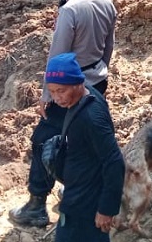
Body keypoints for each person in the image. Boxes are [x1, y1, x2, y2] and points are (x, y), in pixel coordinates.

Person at [9, 0, 118, 227]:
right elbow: (108, 47)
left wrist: (48, 94)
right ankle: (75, 186)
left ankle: (36, 204)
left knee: (44, 140)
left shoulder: (71, 8)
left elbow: (58, 56)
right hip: (96, 82)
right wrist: (97, 74)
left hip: (68, 87)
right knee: (81, 140)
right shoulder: (106, 2)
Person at [43, 53, 124, 241]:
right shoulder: (86, 95)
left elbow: (114, 161)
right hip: (80, 190)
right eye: (52, 91)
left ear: (77, 84)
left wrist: (106, 209)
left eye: (61, 91)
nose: (56, 98)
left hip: (85, 201)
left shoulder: (91, 117)